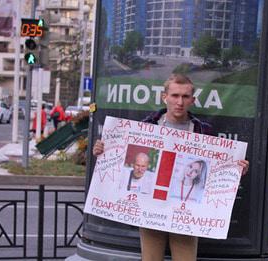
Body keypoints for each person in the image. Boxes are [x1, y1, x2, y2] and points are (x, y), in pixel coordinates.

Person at [93, 73, 249, 260]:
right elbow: (120, 160)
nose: (180, 102)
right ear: (164, 97)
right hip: (150, 209)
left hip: (186, 213)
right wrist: (104, 150)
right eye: (175, 96)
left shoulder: (204, 131)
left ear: (193, 100)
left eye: (185, 96)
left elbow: (213, 172)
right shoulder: (146, 126)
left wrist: (235, 171)